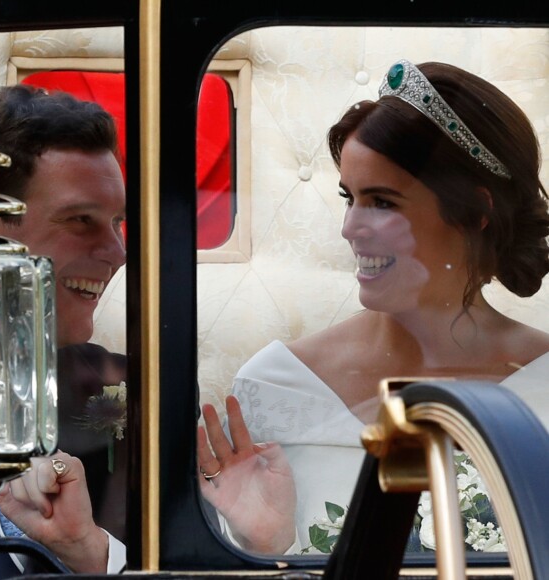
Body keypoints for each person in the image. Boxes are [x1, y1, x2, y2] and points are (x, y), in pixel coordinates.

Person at [197, 60, 549, 554]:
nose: (350, 228)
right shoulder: (276, 388)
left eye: (382, 202)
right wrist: (266, 547)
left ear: (475, 212)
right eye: (350, 198)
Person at [0, 84, 127, 575]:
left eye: (117, 222)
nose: (118, 252)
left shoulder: (136, 400)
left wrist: (90, 555)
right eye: (81, 220)